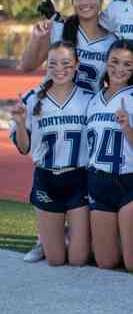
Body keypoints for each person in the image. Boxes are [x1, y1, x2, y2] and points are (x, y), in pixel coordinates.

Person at [10, 41, 93, 267]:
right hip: (46, 179)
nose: (60, 69)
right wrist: (19, 124)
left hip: (78, 178)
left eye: (66, 63)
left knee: (78, 260)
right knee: (55, 260)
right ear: (47, 66)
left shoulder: (88, 99)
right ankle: (56, 236)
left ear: (76, 65)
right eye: (53, 64)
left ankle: (75, 234)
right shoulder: (32, 98)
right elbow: (24, 148)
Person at [86, 39, 133, 271]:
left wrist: (127, 128)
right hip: (99, 181)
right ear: (106, 62)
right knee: (106, 262)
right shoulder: (93, 100)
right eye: (114, 61)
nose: (119, 68)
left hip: (130, 182)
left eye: (127, 64)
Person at [20, 0, 117, 93]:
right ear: (73, 3)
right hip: (53, 105)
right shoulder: (60, 29)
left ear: (100, 0)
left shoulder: (111, 41)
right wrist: (36, 38)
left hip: (89, 108)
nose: (84, 2)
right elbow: (27, 66)